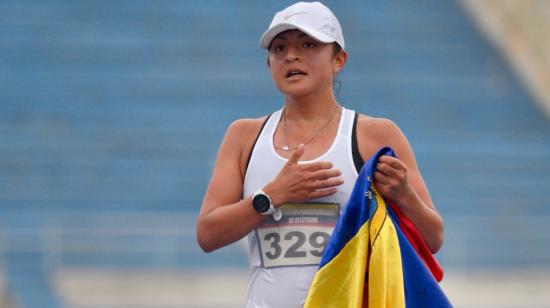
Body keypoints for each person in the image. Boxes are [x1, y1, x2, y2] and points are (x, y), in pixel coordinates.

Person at [196, 2, 444, 307]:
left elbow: (433, 238)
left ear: (339, 59)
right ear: (268, 64)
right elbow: (207, 234)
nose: (291, 55)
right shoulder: (243, 136)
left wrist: (405, 196)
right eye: (278, 48)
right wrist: (272, 196)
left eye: (308, 44)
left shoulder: (374, 134)